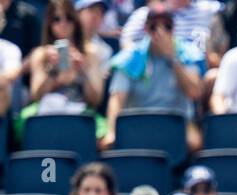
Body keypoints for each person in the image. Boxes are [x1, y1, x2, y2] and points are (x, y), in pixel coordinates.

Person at [102, 5, 206, 152]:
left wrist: (172, 59)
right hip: (138, 122)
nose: (160, 32)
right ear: (145, 29)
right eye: (154, 27)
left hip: (178, 121)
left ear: (173, 29)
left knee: (194, 142)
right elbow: (117, 99)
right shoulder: (131, 57)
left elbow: (194, 93)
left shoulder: (187, 53)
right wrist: (111, 131)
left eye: (167, 26)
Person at [17, 0, 106, 141]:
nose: (63, 24)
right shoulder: (41, 54)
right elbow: (36, 95)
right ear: (49, 23)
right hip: (46, 110)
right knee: (25, 124)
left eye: (69, 18)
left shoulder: (90, 53)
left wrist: (82, 69)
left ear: (75, 21)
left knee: (103, 137)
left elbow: (95, 100)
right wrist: (53, 73)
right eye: (57, 19)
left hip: (80, 109)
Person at [75, 0, 114, 70]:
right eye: (91, 10)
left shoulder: (105, 50)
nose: (95, 16)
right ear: (78, 13)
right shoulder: (63, 39)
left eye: (100, 13)